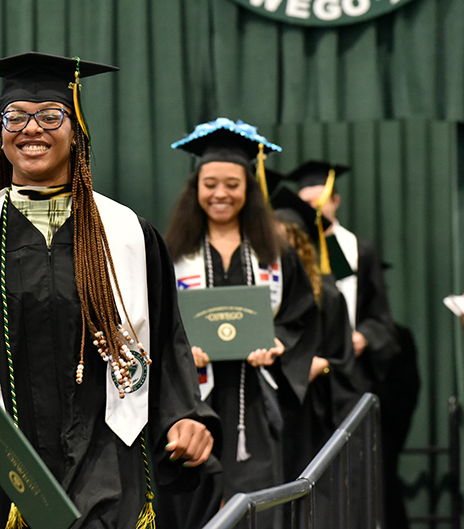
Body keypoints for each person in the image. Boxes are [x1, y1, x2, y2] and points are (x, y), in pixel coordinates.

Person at [0, 52, 221, 529]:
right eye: (16, 116)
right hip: (6, 473)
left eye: (51, 116)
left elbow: (168, 344)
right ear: (0, 132)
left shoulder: (127, 234)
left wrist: (186, 417)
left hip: (109, 460)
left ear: (77, 130)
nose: (32, 129)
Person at [164, 118, 319, 527]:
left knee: (259, 506)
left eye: (232, 184)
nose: (220, 194)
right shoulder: (173, 252)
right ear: (195, 188)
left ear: (248, 190)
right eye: (210, 183)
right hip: (194, 402)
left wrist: (280, 343)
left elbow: (300, 317)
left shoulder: (276, 252)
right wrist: (180, 351)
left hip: (257, 402)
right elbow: (155, 321)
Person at [290, 160, 401, 528]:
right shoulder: (288, 248)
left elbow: (379, 317)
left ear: (335, 200)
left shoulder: (355, 249)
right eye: (308, 204)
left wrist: (363, 337)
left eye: (321, 202)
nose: (316, 211)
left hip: (345, 378)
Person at [269, 185, 359, 480]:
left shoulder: (329, 296)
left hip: (314, 410)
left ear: (302, 244)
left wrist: (324, 367)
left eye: (286, 240)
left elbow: (343, 359)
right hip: (271, 404)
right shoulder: (262, 294)